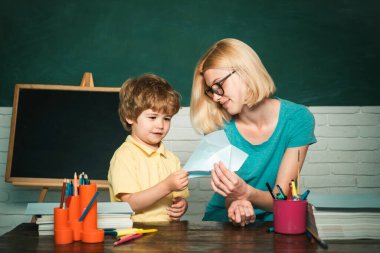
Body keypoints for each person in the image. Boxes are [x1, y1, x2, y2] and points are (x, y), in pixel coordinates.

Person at [190, 38, 316, 226]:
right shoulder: (218, 125)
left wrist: (246, 193)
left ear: (245, 73)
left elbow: (281, 197)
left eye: (219, 85)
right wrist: (237, 202)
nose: (215, 96)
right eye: (211, 90)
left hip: (276, 221)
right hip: (224, 222)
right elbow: (230, 193)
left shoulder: (297, 119)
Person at [108, 73, 189, 222]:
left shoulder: (171, 159)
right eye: (152, 117)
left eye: (167, 118)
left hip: (168, 238)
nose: (160, 125)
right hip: (136, 236)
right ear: (130, 116)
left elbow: (178, 198)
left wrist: (182, 205)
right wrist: (167, 186)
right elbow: (129, 204)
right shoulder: (125, 156)